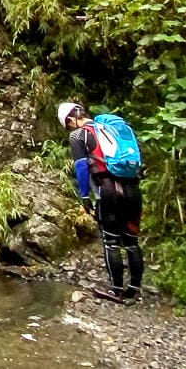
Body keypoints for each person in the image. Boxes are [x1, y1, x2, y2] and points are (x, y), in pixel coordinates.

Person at [59, 101, 144, 303]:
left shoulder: (79, 135)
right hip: (133, 189)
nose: (70, 129)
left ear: (71, 119)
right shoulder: (114, 129)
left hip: (108, 191)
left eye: (68, 125)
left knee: (111, 241)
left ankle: (116, 289)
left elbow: (81, 168)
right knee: (131, 241)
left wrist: (85, 196)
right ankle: (133, 289)